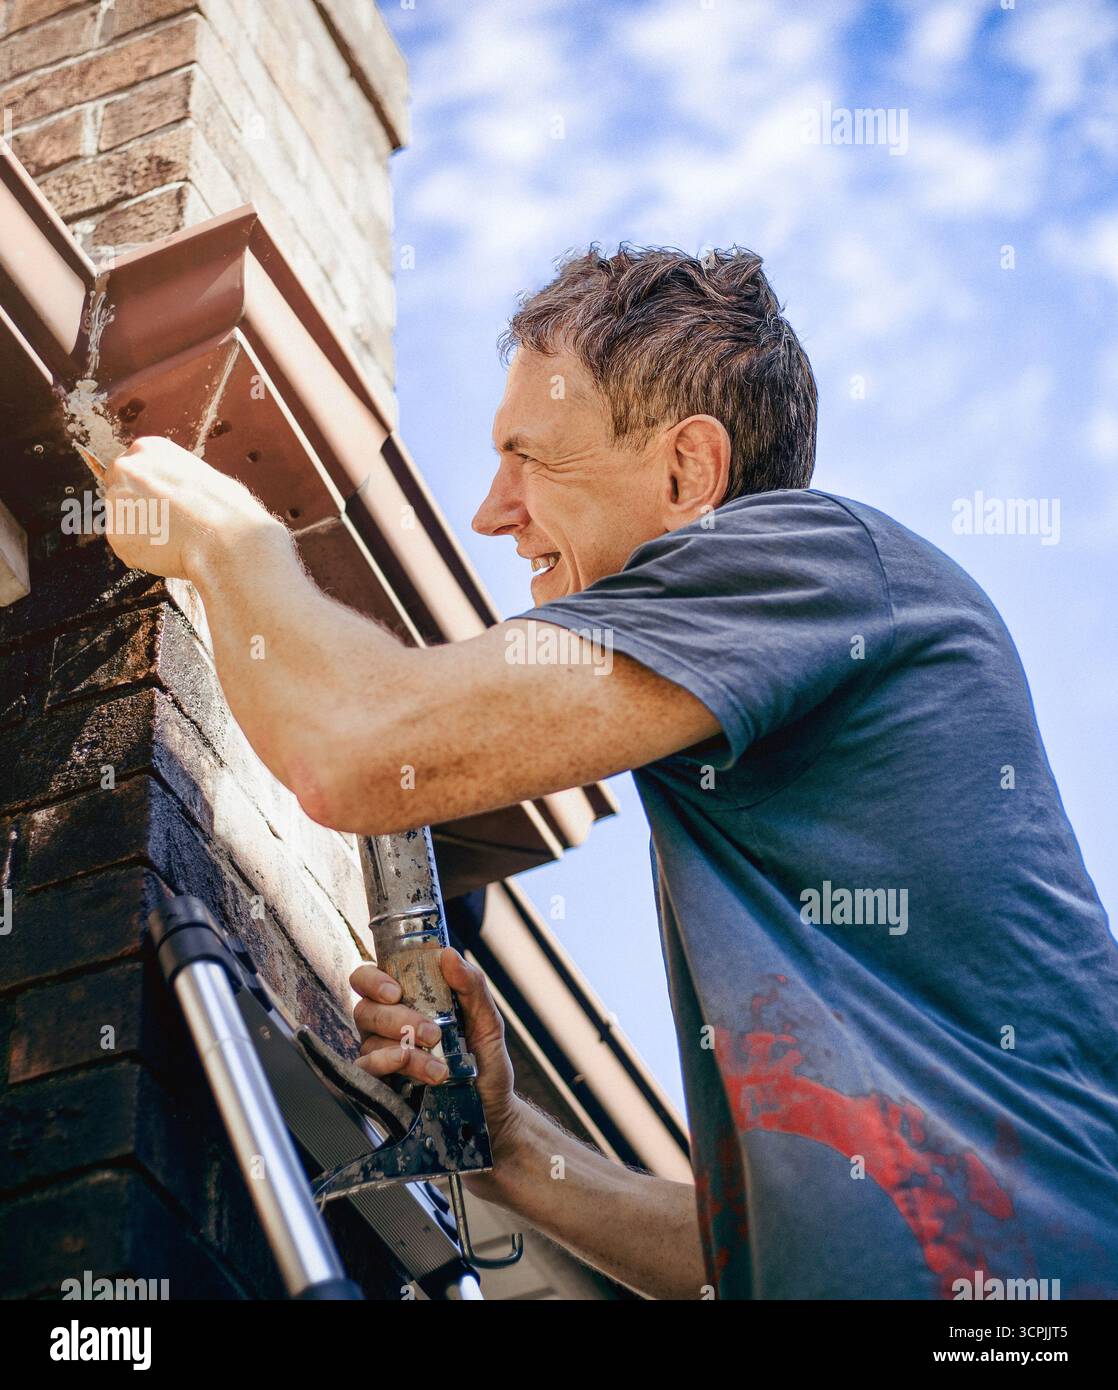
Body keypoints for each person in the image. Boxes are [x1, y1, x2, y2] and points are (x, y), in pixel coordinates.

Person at [102, 245, 1118, 1300]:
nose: (491, 512)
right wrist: (509, 1147)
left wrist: (227, 542)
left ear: (686, 472)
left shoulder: (809, 556)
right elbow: (746, 1266)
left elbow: (356, 749)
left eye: (528, 457)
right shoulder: (766, 729)